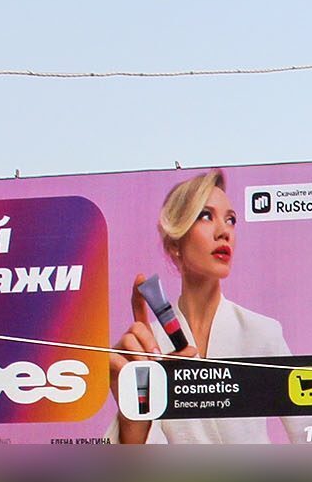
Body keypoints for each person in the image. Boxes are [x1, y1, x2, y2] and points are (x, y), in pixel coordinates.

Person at [111, 170, 290, 444]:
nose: (224, 232)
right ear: (174, 245)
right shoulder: (151, 347)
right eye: (206, 216)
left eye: (231, 220)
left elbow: (310, 432)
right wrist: (134, 415)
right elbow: (138, 474)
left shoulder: (263, 332)